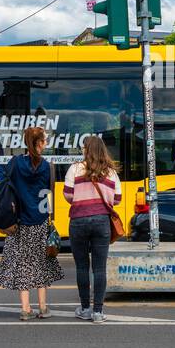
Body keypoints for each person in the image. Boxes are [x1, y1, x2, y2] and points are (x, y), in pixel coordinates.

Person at [0, 126, 63, 320]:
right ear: (39, 143)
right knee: (41, 263)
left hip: (20, 223)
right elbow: (49, 192)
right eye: (45, 140)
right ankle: (43, 307)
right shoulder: (47, 166)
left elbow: (3, 177)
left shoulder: (16, 163)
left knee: (23, 264)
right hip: (40, 222)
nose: (47, 143)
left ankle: (25, 309)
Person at [63, 135, 121, 323]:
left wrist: (82, 197)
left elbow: (68, 195)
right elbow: (117, 199)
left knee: (82, 267)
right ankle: (98, 312)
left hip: (78, 220)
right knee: (99, 268)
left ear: (86, 149)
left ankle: (85, 309)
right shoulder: (111, 172)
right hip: (101, 221)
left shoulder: (75, 168)